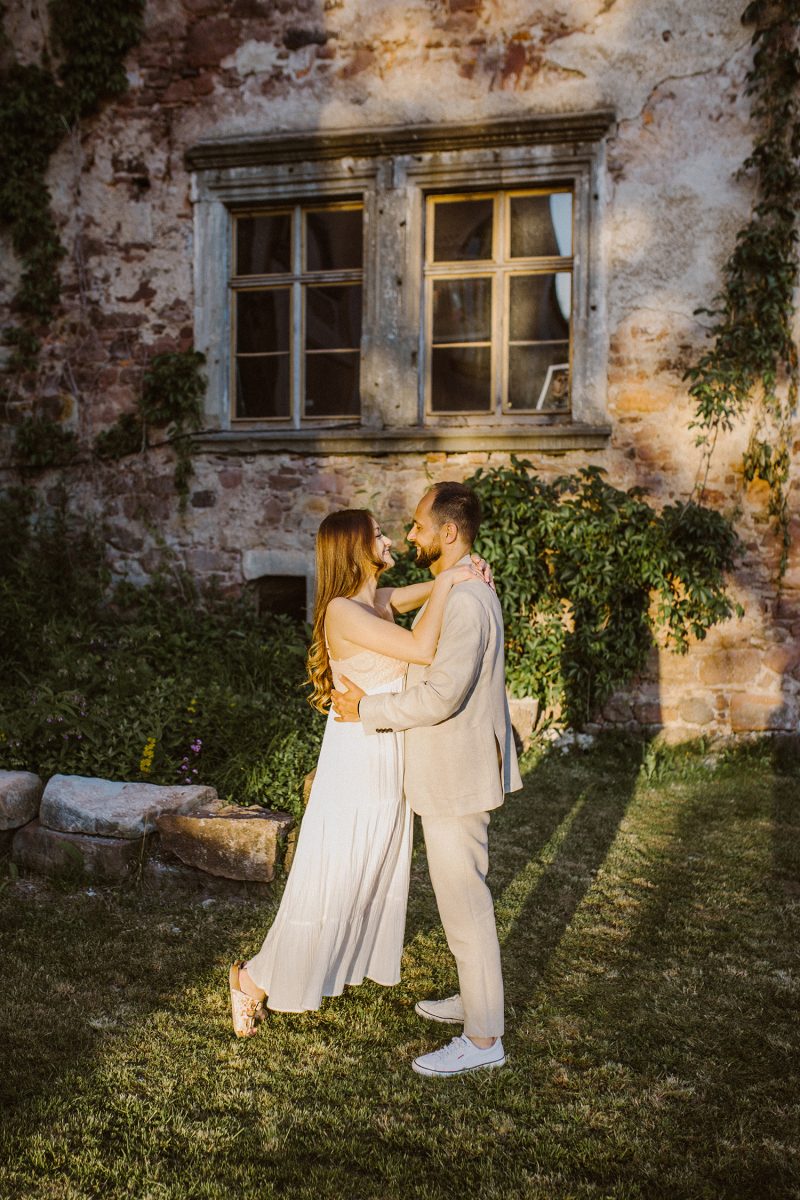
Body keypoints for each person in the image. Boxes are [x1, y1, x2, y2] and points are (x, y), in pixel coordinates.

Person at [229, 507, 489, 1038]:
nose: (390, 540)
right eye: (378, 535)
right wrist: (451, 581)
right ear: (355, 549)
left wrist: (459, 572)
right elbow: (420, 648)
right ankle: (252, 978)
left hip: (386, 752)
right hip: (357, 760)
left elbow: (418, 593)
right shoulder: (342, 612)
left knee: (367, 872)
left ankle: (295, 967)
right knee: (336, 875)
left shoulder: (376, 601)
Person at [331, 482, 522, 1078]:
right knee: (460, 900)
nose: (409, 534)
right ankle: (475, 998)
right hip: (452, 767)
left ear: (448, 532)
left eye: (417, 525)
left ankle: (484, 1039)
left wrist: (366, 710)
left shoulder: (466, 601)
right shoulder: (461, 587)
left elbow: (441, 695)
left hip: (456, 771)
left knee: (466, 904)